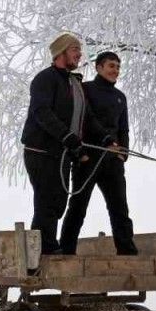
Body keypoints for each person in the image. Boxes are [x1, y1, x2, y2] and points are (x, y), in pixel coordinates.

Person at [21, 33, 116, 255]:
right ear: (61, 52)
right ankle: (44, 251)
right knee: (47, 199)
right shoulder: (45, 79)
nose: (79, 53)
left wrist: (106, 138)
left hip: (63, 152)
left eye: (79, 49)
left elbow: (88, 117)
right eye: (74, 48)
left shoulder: (73, 83)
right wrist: (67, 136)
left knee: (59, 201)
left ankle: (46, 247)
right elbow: (41, 112)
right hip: (41, 150)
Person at [59, 50, 139, 255]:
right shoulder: (85, 90)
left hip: (113, 161)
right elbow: (86, 119)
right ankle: (66, 250)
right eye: (112, 66)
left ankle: (127, 250)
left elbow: (124, 129)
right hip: (88, 157)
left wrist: (124, 152)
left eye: (118, 67)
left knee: (120, 208)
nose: (116, 71)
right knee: (78, 206)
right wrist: (103, 142)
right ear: (99, 67)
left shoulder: (121, 97)